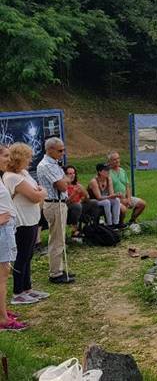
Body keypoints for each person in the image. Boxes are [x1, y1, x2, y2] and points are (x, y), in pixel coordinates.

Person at [3, 143, 49, 306]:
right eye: (28, 157)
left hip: (32, 219)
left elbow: (37, 190)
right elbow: (35, 196)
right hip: (22, 222)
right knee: (22, 256)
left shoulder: (23, 173)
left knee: (29, 255)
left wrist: (40, 192)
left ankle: (27, 288)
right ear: (19, 159)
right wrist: (42, 192)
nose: (30, 160)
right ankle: (18, 292)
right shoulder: (12, 177)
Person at [37, 137, 75, 284]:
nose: (62, 153)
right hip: (54, 204)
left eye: (63, 150)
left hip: (58, 203)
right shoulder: (47, 165)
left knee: (59, 238)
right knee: (57, 239)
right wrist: (65, 180)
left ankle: (59, 268)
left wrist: (64, 179)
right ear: (50, 150)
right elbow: (63, 186)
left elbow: (67, 180)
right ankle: (55, 273)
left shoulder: (54, 164)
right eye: (60, 150)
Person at [0, 145, 27, 331]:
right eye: (5, 156)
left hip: (6, 229)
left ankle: (2, 310)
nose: (9, 160)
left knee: (4, 274)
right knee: (1, 277)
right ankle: (2, 319)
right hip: (2, 230)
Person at [107, 151, 146, 225]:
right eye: (114, 159)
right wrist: (121, 200)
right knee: (123, 209)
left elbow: (127, 186)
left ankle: (132, 221)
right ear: (109, 161)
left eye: (118, 158)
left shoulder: (122, 171)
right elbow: (109, 192)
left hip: (125, 197)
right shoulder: (108, 173)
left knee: (142, 204)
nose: (117, 161)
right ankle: (120, 224)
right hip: (115, 199)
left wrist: (129, 199)